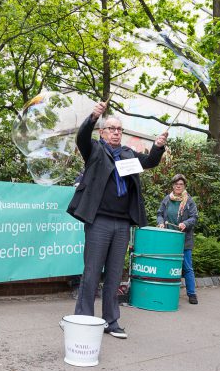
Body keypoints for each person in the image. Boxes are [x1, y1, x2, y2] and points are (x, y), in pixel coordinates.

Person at [67, 102, 168, 339]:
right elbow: (81, 137)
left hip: (122, 223)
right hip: (99, 221)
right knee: (92, 272)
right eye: (111, 128)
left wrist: (158, 147)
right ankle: (83, 319)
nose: (115, 132)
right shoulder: (94, 150)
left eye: (119, 129)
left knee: (114, 274)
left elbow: (150, 161)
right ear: (102, 132)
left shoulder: (127, 154)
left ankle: (111, 322)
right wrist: (93, 116)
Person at [156, 173, 199, 305]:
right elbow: (159, 214)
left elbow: (194, 217)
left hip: (184, 240)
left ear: (184, 186)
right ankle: (164, 290)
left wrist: (185, 224)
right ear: (173, 186)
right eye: (176, 184)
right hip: (168, 239)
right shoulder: (167, 199)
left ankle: (192, 294)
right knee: (166, 265)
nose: (178, 186)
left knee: (187, 268)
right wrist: (161, 222)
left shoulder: (189, 201)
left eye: (181, 184)